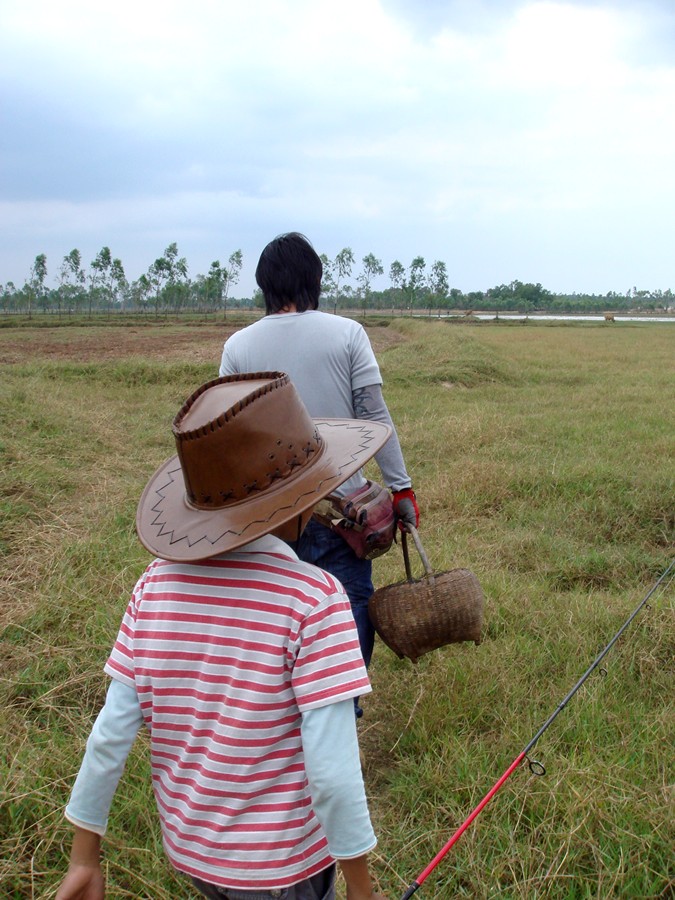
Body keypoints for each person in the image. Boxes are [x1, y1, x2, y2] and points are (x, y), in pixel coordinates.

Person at [55, 372, 391, 900]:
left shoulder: (152, 587)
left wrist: (83, 856)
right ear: (305, 498)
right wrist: (361, 888)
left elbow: (109, 735)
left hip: (194, 856)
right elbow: (332, 773)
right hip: (286, 871)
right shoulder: (315, 599)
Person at [219, 233, 420, 693]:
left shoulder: (238, 348)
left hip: (268, 520)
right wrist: (401, 488)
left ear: (264, 285)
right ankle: (340, 711)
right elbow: (374, 415)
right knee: (346, 610)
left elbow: (228, 438)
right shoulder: (347, 333)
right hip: (342, 515)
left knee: (275, 619)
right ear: (315, 280)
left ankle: (283, 717)